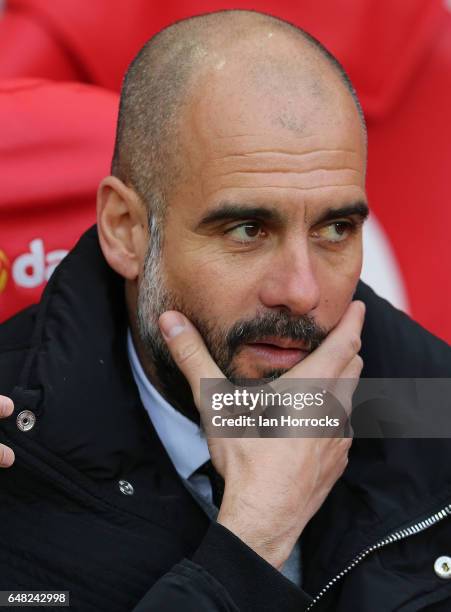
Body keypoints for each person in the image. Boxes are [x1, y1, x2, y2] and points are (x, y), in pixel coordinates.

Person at [0, 10, 450, 612]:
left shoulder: (435, 416)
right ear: (127, 230)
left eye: (335, 228)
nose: (301, 290)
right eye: (246, 229)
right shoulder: (13, 455)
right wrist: (251, 542)